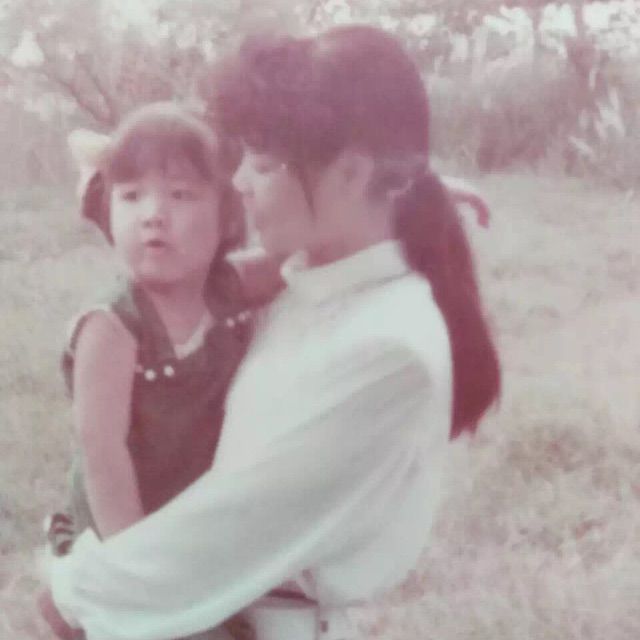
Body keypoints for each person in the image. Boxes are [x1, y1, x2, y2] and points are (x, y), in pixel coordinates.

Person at [41, 25, 500, 640]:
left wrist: (71, 595)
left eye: (261, 163)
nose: (239, 183)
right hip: (188, 606)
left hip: (230, 614)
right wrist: (419, 188)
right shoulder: (308, 279)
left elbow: (228, 529)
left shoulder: (388, 348)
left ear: (350, 174)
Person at [41, 101, 283, 640]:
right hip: (124, 541)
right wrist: (141, 579)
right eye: (131, 196)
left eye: (181, 195)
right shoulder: (112, 329)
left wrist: (402, 210)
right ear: (107, 212)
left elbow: (308, 257)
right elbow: (103, 458)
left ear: (226, 216)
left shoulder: (228, 290)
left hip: (192, 532)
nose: (153, 214)